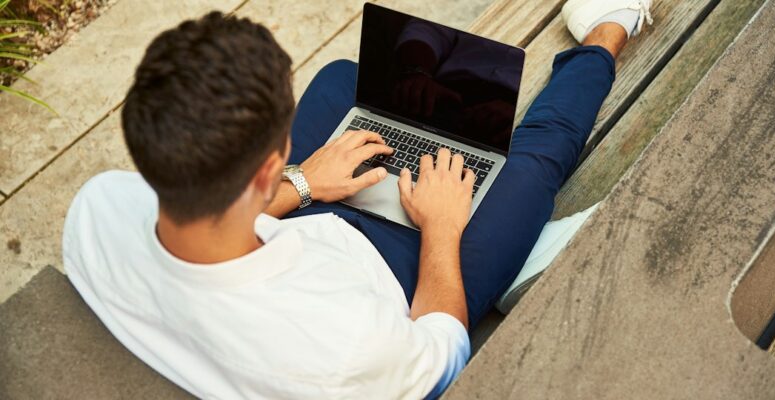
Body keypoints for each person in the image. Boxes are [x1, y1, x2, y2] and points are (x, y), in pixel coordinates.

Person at [63, 0, 652, 398]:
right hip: (403, 273)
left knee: (346, 80)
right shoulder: (345, 348)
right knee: (535, 158)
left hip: (299, 219)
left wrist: (299, 183)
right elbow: (443, 356)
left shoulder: (97, 210)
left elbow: (200, 234)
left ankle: (513, 234)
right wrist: (444, 226)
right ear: (266, 162)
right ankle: (607, 32)